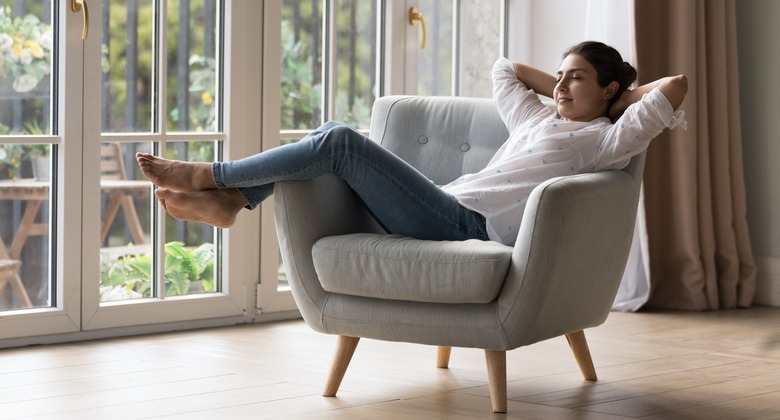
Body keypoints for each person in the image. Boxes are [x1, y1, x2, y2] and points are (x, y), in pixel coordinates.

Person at [137, 41, 688, 246]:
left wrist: (619, 101)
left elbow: (676, 87)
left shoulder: (606, 140)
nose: (562, 85)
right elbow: (505, 68)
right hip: (443, 202)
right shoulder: (535, 120)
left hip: (466, 225)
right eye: (561, 76)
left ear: (611, 91)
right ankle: (233, 200)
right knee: (331, 135)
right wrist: (568, 86)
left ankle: (214, 179)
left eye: (577, 79)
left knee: (342, 142)